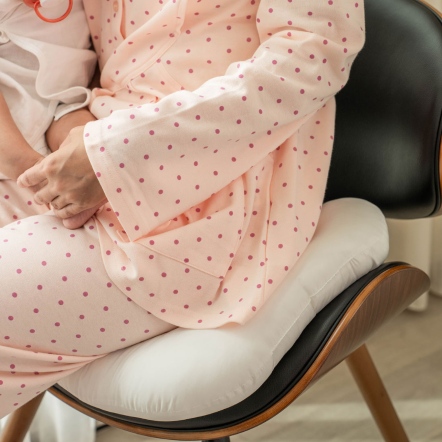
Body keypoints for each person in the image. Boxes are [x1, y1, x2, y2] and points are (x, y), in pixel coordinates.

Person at [0, 0, 366, 418]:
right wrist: (67, 140)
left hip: (204, 200)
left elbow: (312, 59)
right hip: (67, 148)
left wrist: (119, 154)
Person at [0, 0, 99, 226]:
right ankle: (27, 166)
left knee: (82, 132)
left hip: (66, 95)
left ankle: (83, 176)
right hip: (8, 89)